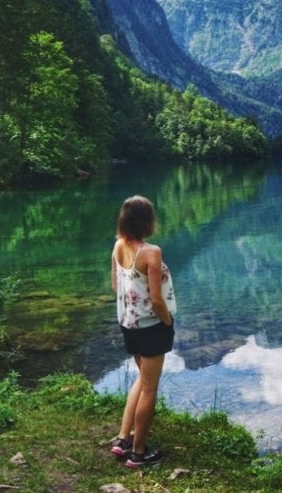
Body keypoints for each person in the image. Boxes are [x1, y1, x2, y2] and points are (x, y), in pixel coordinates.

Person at [109, 195, 176, 468]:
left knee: (142, 379)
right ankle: (138, 453)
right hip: (151, 326)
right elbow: (157, 299)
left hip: (128, 324)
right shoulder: (151, 252)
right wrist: (167, 323)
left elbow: (116, 286)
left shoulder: (118, 246)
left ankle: (123, 439)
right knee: (150, 388)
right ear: (147, 220)